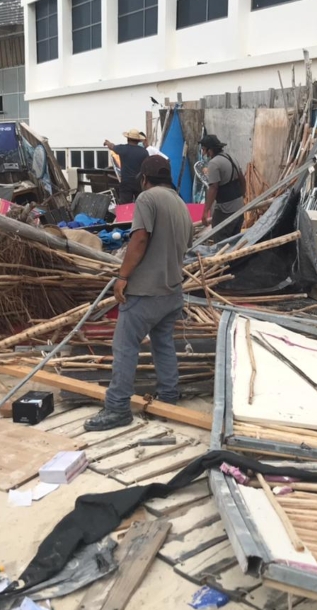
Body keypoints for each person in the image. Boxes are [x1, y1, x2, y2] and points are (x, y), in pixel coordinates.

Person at [84, 156, 194, 432]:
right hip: (172, 290)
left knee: (124, 346)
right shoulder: (181, 204)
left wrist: (122, 276)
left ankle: (118, 407)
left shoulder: (147, 199)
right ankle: (168, 399)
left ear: (144, 178)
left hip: (146, 291)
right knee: (163, 345)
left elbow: (140, 238)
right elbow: (187, 243)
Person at [199, 135, 246, 242]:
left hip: (226, 210)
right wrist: (243, 195)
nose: (203, 153)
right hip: (239, 208)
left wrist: (205, 212)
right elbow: (242, 179)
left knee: (220, 242)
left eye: (204, 149)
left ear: (210, 150)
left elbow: (213, 188)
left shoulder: (214, 163)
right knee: (234, 243)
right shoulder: (231, 157)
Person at [104, 129, 167, 205]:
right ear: (138, 141)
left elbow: (112, 146)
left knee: (125, 206)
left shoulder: (123, 149)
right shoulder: (144, 152)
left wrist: (107, 143)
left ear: (128, 139)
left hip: (126, 183)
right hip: (139, 183)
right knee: (140, 205)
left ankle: (126, 216)